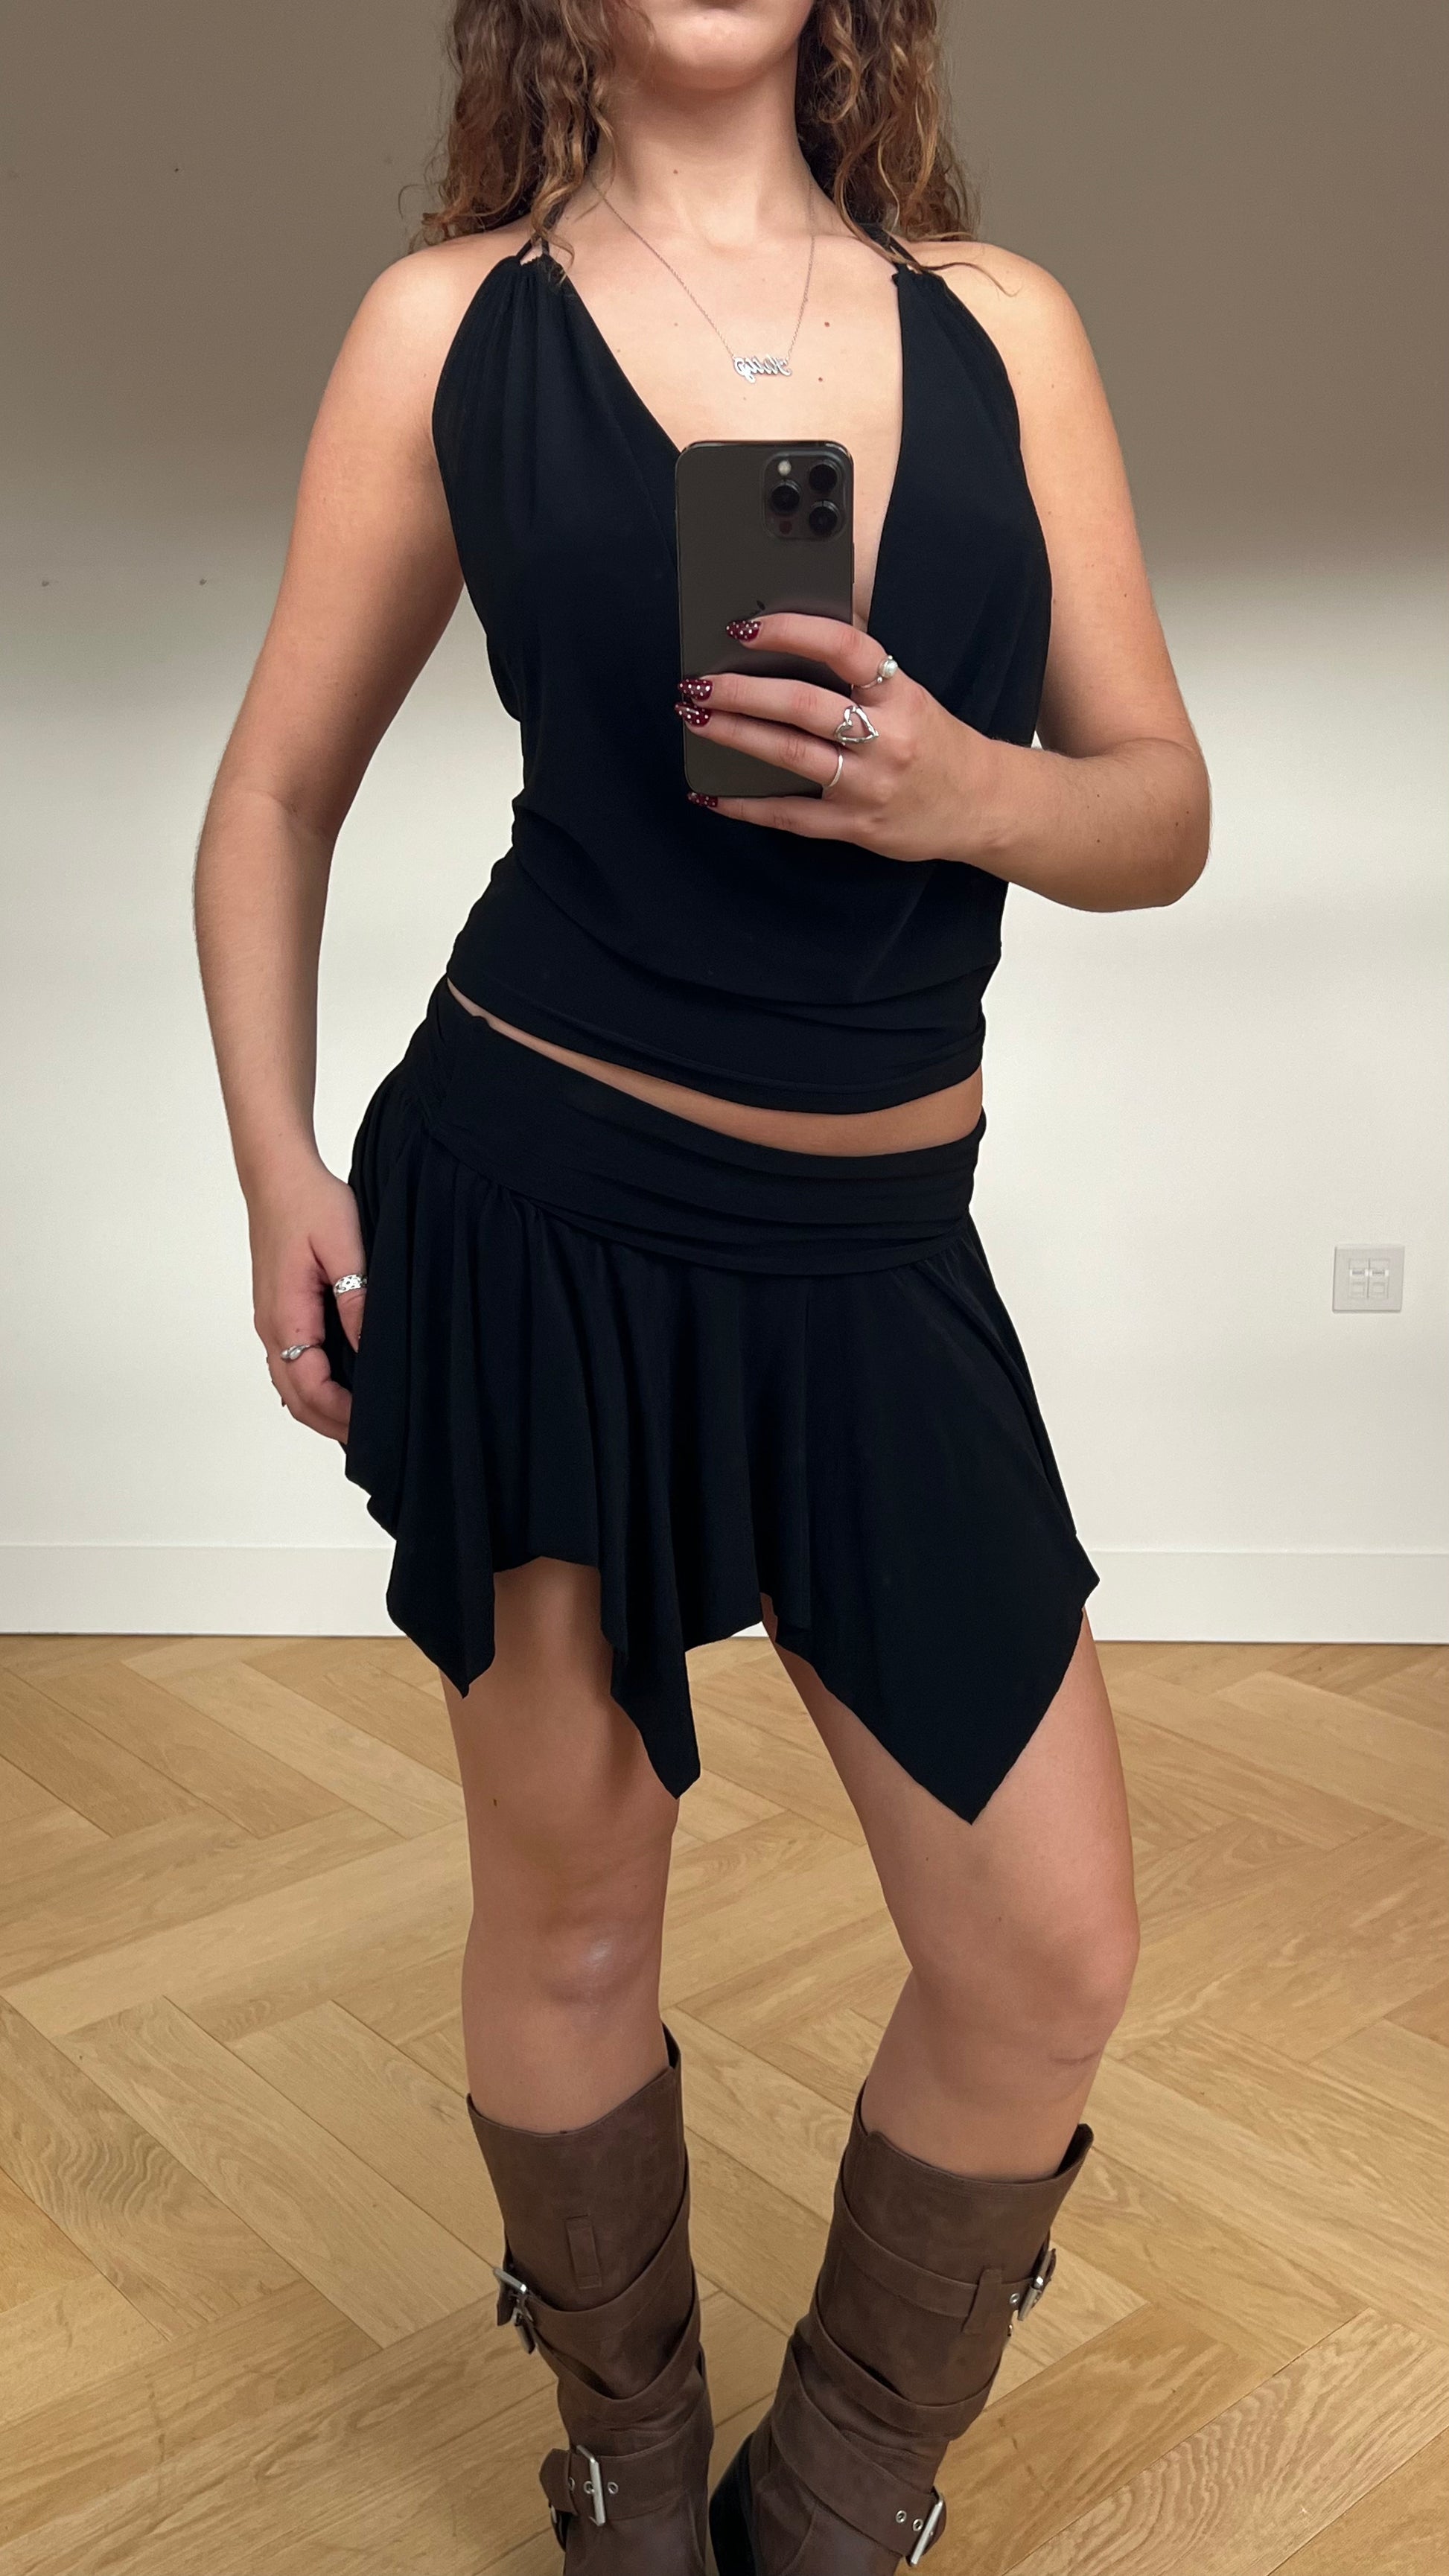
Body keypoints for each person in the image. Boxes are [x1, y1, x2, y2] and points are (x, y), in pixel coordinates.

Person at [194, 0, 1208, 2565]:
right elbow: (277, 786)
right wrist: (275, 1158)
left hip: (872, 1253)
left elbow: (1157, 806)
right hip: (540, 1208)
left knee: (1046, 1949)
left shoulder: (1005, 325)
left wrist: (963, 787)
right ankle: (627, 2475)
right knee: (568, 1913)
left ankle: (834, 2496)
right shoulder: (451, 326)